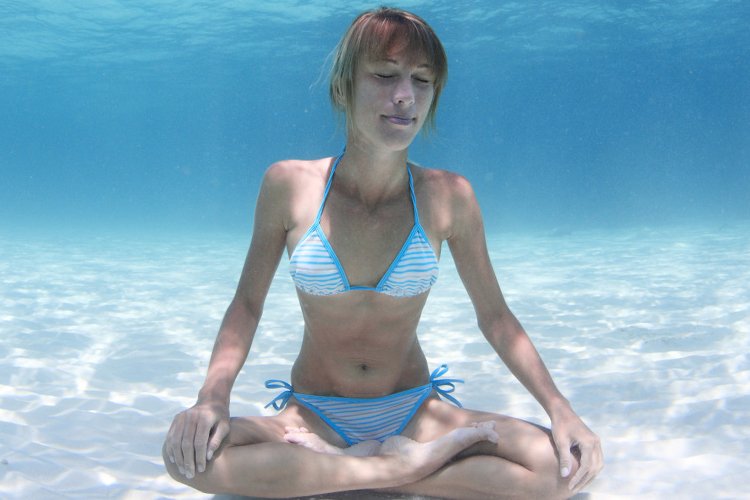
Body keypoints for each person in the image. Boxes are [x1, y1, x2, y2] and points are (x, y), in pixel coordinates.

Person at [163, 6, 603, 499]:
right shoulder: (288, 185)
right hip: (313, 413)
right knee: (188, 460)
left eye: (422, 81)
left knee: (555, 470)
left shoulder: (449, 196)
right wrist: (211, 399)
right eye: (385, 75)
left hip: (417, 411)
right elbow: (246, 305)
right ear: (342, 87)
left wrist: (561, 410)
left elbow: (496, 317)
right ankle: (400, 469)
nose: (405, 97)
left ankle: (351, 469)